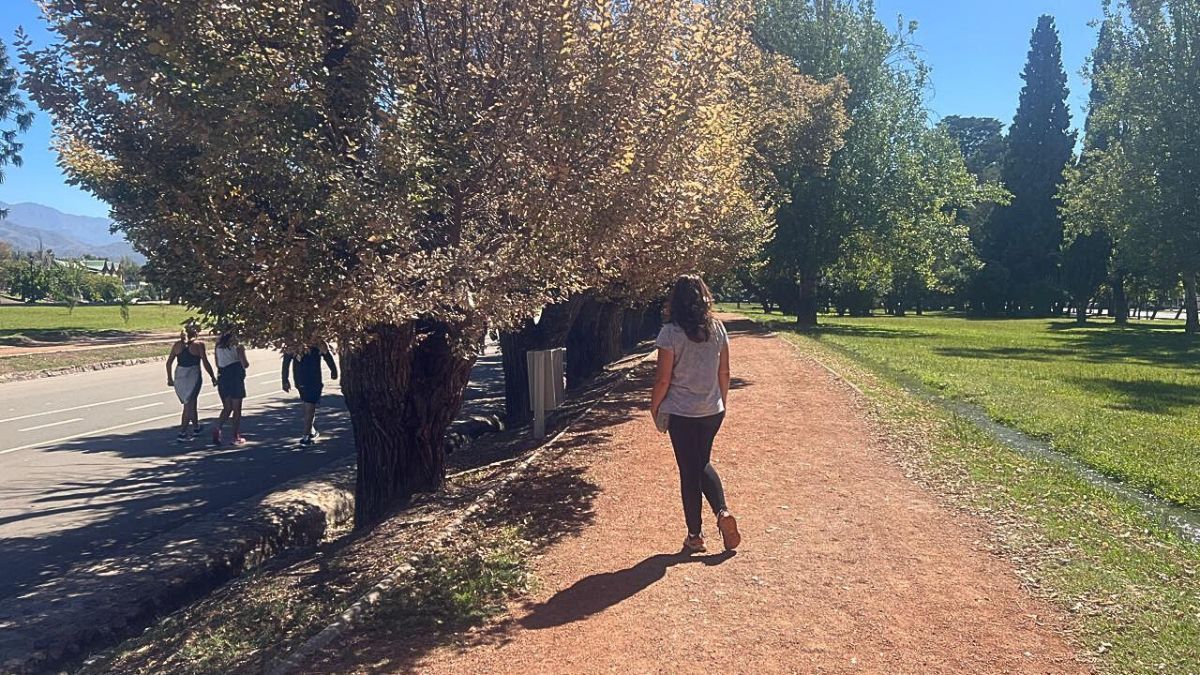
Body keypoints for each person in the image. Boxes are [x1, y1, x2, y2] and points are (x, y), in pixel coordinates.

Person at [650, 274, 741, 554]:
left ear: (675, 300)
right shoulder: (718, 328)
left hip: (682, 412)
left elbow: (663, 379)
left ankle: (695, 535)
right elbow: (724, 371)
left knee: (689, 471)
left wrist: (654, 406)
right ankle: (722, 513)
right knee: (701, 463)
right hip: (711, 409)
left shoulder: (670, 333)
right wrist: (721, 402)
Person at [166, 320, 217, 442]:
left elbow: (169, 363)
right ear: (196, 332)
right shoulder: (199, 345)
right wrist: (212, 377)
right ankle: (182, 433)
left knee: (190, 402)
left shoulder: (177, 345)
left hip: (180, 376)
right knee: (189, 405)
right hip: (193, 376)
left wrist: (170, 378)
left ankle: (196, 427)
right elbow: (205, 363)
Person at [282, 343, 338, 446]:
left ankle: (310, 430)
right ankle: (306, 436)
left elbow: (286, 361)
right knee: (309, 406)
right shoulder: (313, 342)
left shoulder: (298, 342)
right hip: (312, 380)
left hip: (301, 379)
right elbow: (327, 355)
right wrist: (334, 371)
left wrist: (285, 380)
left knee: (307, 403)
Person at [213, 328, 250, 446]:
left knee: (227, 407)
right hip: (235, 376)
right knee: (237, 408)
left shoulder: (218, 345)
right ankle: (235, 436)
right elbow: (245, 363)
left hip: (223, 375)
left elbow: (217, 363)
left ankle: (218, 427)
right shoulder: (238, 345)